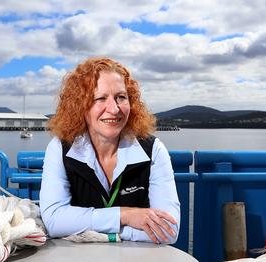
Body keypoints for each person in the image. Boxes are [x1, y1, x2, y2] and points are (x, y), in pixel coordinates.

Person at [39, 57, 180, 244]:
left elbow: (168, 230)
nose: (114, 109)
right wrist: (125, 215)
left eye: (121, 97)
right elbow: (54, 220)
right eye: (100, 98)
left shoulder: (153, 151)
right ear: (80, 106)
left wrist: (98, 233)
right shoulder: (60, 148)